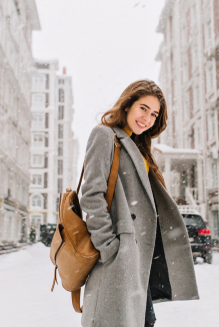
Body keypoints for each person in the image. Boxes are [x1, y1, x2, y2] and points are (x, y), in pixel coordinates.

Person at [80, 80, 199, 327]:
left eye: (154, 114)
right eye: (143, 108)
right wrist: (110, 248)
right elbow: (91, 195)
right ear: (127, 105)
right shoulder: (105, 135)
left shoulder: (138, 145)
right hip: (121, 259)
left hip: (139, 262)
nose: (147, 118)